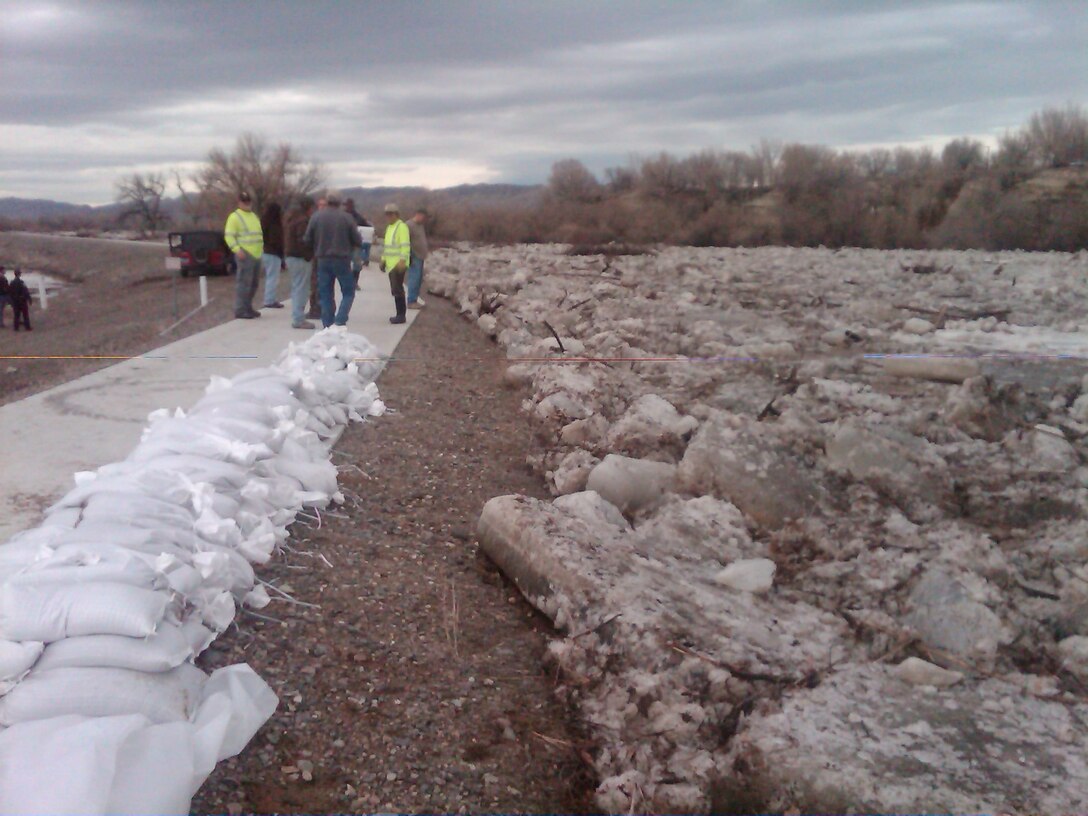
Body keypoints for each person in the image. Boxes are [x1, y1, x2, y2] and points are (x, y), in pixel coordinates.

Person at [303, 190, 362, 328]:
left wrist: (317, 246)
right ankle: (340, 320)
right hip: (342, 259)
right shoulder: (347, 218)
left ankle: (328, 325)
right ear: (340, 202)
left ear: (327, 201)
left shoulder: (316, 217)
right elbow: (358, 240)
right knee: (348, 292)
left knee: (325, 294)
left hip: (322, 259)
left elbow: (307, 239)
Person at [224, 192, 264, 319]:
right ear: (239, 202)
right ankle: (240, 309)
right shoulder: (234, 217)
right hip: (245, 253)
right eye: (244, 202)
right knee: (244, 283)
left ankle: (248, 307)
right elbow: (229, 236)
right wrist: (236, 249)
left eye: (248, 202)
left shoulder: (254, 216)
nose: (247, 204)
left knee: (254, 283)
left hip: (257, 253)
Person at [284, 196, 316, 329]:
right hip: (300, 258)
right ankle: (298, 319)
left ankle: (297, 316)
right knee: (302, 288)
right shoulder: (303, 221)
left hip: (291, 257)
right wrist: (309, 255)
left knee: (297, 286)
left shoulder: (291, 219)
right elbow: (302, 241)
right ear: (308, 207)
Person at [379, 203, 411, 324]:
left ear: (396, 214)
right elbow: (387, 247)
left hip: (398, 264)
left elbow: (405, 245)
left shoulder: (401, 227)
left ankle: (401, 315)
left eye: (390, 214)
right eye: (387, 214)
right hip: (391, 264)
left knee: (397, 289)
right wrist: (383, 259)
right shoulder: (389, 228)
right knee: (395, 289)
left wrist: (402, 260)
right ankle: (399, 314)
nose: (388, 217)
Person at [259, 201, 285, 309]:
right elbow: (276, 240)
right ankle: (269, 300)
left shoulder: (263, 221)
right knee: (273, 277)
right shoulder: (275, 224)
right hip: (274, 253)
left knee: (270, 276)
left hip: (265, 251)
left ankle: (270, 298)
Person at [344, 198, 373, 291]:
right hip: (344, 244)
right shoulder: (341, 216)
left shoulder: (358, 217)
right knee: (344, 264)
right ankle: (347, 282)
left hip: (355, 244)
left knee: (357, 264)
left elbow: (367, 227)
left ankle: (354, 282)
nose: (347, 207)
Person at [405, 208, 429, 309]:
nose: (424, 219)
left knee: (418, 279)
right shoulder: (409, 225)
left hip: (420, 256)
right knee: (414, 278)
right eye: (423, 217)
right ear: (418, 214)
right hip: (414, 255)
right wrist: (408, 255)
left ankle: (414, 299)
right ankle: (411, 301)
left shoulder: (420, 226)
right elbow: (405, 241)